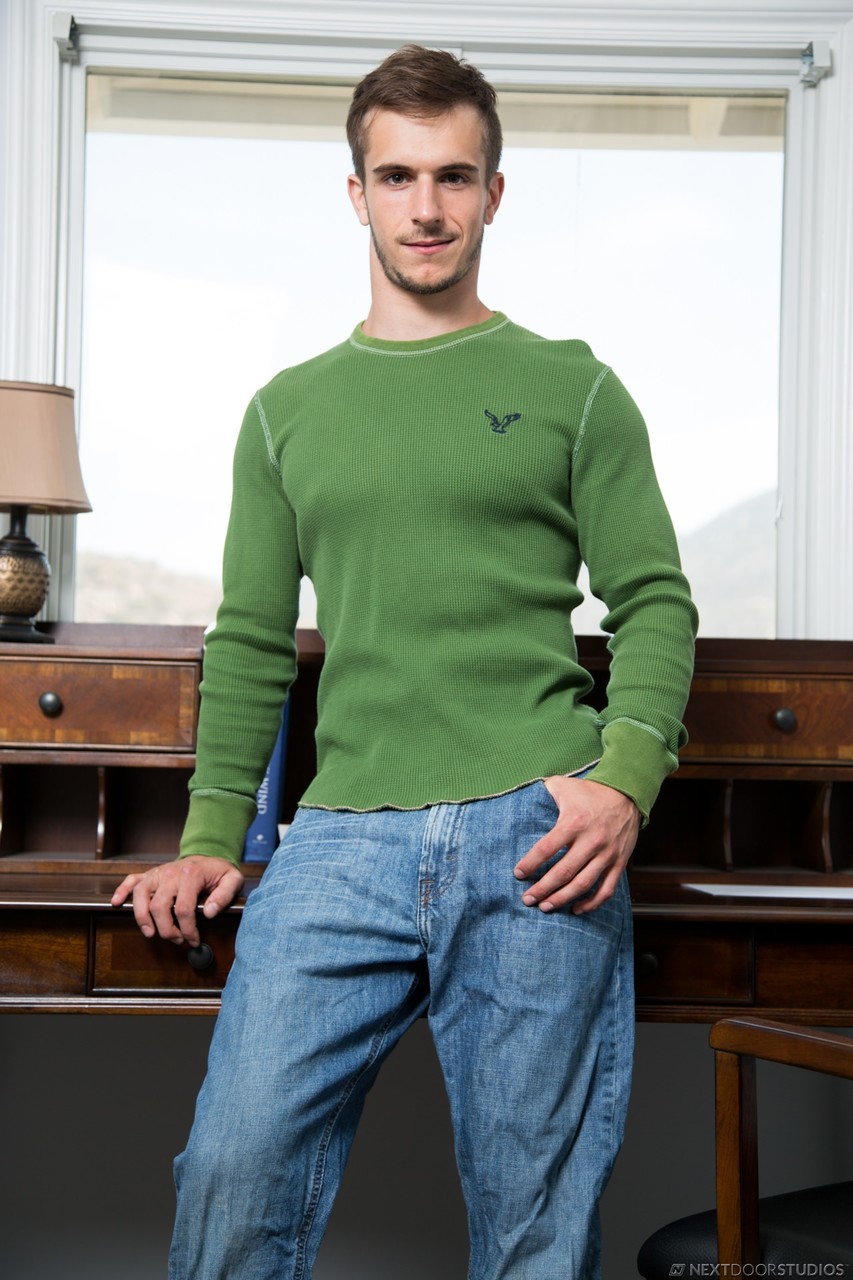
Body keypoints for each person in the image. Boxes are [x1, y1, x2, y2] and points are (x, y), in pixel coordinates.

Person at [113, 43, 697, 1280]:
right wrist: (214, 833)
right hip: (341, 839)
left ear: (493, 192)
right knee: (233, 1173)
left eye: (452, 176)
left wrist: (623, 781)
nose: (424, 207)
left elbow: (653, 599)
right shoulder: (286, 409)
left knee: (535, 1227)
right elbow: (251, 637)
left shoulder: (575, 387)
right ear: (357, 193)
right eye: (396, 176)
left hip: (537, 826)